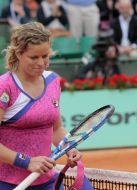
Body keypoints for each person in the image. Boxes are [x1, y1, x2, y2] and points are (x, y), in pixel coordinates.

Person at [0, 22, 91, 189]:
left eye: (45, 56)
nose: (41, 63)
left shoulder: (52, 81)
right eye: (34, 57)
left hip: (47, 182)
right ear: (19, 53)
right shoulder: (4, 87)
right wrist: (26, 162)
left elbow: (56, 129)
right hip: (6, 182)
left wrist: (68, 147)